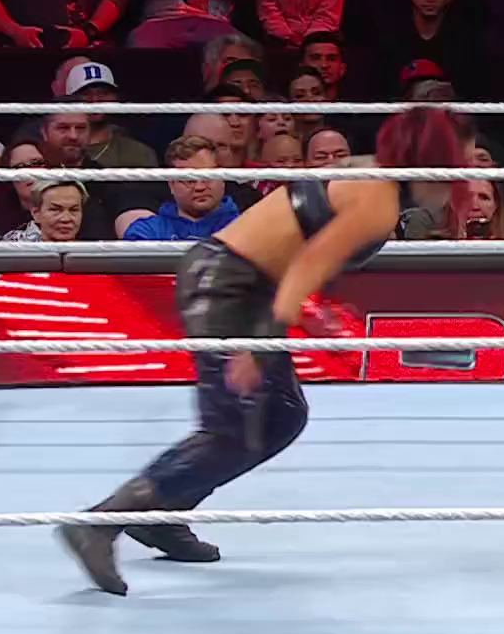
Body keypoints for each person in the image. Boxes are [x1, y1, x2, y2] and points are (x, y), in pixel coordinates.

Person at [57, 108, 467, 595]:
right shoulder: (377, 198)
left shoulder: (371, 176)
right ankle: (101, 523)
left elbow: (297, 246)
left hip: (244, 286)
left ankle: (163, 512)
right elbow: (305, 266)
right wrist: (257, 347)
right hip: (226, 286)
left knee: (281, 416)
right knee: (234, 428)